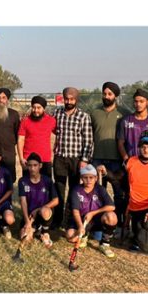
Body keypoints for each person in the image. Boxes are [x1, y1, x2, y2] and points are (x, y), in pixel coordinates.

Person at [52, 86, 94, 229]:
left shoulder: (83, 116)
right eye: (66, 99)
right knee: (59, 189)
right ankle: (57, 219)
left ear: (76, 100)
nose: (69, 101)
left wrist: (84, 160)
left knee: (74, 190)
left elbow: (88, 140)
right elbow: (52, 130)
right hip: (60, 157)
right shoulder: (57, 113)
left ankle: (70, 220)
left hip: (76, 159)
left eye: (72, 99)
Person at [89, 82, 129, 226]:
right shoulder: (94, 113)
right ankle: (96, 222)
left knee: (119, 192)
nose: (106, 96)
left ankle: (117, 221)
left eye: (110, 94)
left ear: (116, 96)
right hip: (97, 158)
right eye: (104, 93)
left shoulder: (124, 114)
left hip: (116, 160)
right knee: (94, 192)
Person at [66, 164, 117, 259]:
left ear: (96, 178)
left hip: (97, 220)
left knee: (112, 217)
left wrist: (93, 213)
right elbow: (75, 211)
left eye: (91, 177)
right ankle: (84, 235)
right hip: (82, 221)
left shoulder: (100, 189)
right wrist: (80, 226)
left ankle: (104, 244)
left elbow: (112, 206)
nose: (88, 180)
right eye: (85, 177)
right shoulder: (76, 190)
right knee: (70, 236)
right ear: (81, 178)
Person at [18, 152, 59, 249]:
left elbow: (56, 200)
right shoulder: (22, 181)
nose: (32, 168)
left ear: (40, 166)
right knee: (25, 238)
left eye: (35, 165)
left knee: (44, 211)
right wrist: (27, 222)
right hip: (30, 215)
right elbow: (23, 202)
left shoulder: (47, 180)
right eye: (30, 165)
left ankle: (45, 232)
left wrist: (38, 210)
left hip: (43, 213)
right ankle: (36, 230)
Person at [117, 88, 148, 162]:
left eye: (141, 101)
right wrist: (126, 160)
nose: (138, 104)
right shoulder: (125, 121)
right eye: (136, 101)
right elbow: (120, 143)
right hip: (131, 163)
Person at [17, 95, 56, 178]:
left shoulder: (51, 121)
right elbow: (20, 140)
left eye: (39, 108)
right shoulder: (25, 121)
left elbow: (59, 133)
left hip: (45, 160)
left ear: (44, 108)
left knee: (46, 187)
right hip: (28, 160)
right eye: (34, 107)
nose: (36, 110)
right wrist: (21, 158)